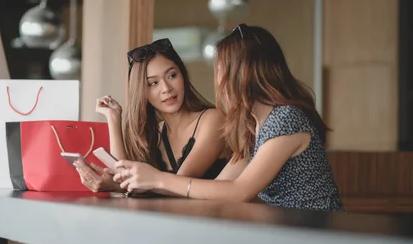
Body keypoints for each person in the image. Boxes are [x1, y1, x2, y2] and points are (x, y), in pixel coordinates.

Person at [111, 24, 345, 212]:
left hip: (317, 234)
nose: (219, 80)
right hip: (290, 232)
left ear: (244, 74)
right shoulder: (255, 125)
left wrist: (159, 179)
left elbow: (240, 191)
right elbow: (221, 186)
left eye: (221, 70)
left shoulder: (287, 119)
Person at [74, 38, 230, 193]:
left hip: (213, 217)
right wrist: (113, 119)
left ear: (183, 75)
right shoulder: (157, 133)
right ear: (142, 91)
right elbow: (123, 175)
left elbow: (180, 183)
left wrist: (119, 187)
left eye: (172, 76)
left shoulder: (212, 119)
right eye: (153, 83)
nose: (166, 88)